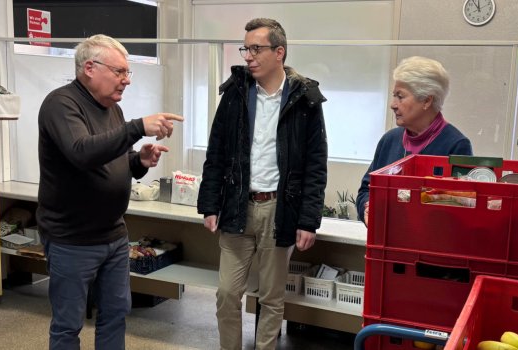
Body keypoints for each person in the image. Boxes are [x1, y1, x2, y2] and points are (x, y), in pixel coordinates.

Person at [37, 34, 183, 349]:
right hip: (72, 238)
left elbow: (109, 159)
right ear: (90, 67)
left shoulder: (110, 108)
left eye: (127, 73)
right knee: (68, 325)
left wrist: (138, 161)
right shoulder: (61, 104)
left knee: (115, 315)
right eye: (119, 72)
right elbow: (81, 152)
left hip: (114, 236)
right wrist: (137, 127)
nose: (126, 80)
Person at [196, 18, 328, 350]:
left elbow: (315, 165)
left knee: (271, 298)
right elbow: (216, 153)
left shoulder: (305, 100)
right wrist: (209, 204)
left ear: (279, 52)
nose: (248, 56)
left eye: (256, 48)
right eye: (246, 49)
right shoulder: (235, 94)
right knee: (227, 293)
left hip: (279, 209)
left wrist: (309, 219)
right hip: (238, 205)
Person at [357, 56, 473, 225]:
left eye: (400, 96)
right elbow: (366, 190)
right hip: (387, 243)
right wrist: (368, 208)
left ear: (427, 100)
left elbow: (463, 205)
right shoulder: (389, 140)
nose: (393, 104)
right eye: (393, 95)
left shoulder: (456, 145)